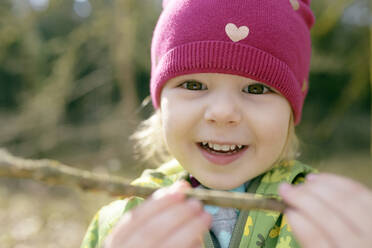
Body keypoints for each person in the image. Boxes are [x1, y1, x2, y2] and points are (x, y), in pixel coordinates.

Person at [80, 0, 372, 247]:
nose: (222, 112)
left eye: (256, 88)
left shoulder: (327, 222)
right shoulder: (123, 223)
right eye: (193, 84)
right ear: (161, 102)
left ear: (291, 111)